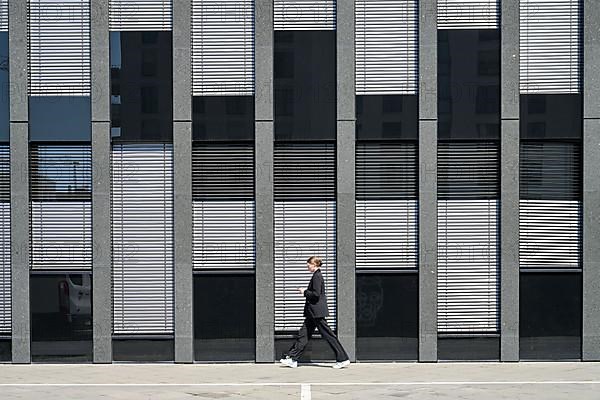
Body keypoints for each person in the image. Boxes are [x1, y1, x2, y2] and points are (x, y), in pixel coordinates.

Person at [280, 256, 350, 369]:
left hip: (316, 312)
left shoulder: (317, 276)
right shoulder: (316, 276)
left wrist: (304, 292)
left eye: (308, 265)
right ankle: (293, 358)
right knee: (304, 334)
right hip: (312, 313)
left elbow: (316, 294)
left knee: (328, 335)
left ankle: (343, 359)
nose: (307, 266)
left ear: (314, 264)